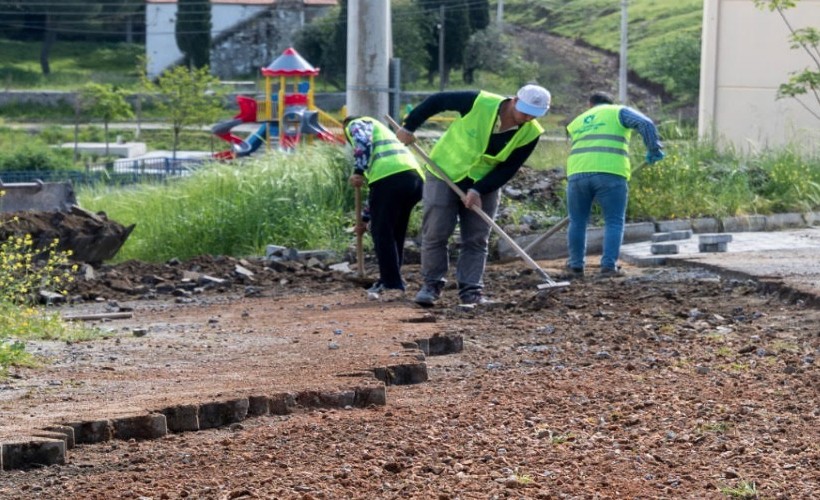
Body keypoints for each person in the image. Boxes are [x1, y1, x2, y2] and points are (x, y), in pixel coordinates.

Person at [396, 84, 550, 306]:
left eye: (534, 115)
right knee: (436, 232)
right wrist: (409, 127)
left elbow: (508, 168)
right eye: (524, 112)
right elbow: (437, 101)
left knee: (477, 238)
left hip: (484, 182)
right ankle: (431, 285)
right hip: (444, 172)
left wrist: (479, 189)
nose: (527, 119)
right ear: (514, 101)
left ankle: (471, 291)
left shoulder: (532, 132)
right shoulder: (478, 102)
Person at [563, 91, 665, 279]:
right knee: (613, 221)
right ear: (610, 103)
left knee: (577, 221)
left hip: (577, 173)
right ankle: (608, 267)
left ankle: (575, 267)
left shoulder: (577, 121)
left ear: (589, 105)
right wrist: (654, 148)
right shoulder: (618, 111)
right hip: (610, 173)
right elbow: (645, 123)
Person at [343, 115, 425, 300]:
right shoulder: (381, 130)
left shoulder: (356, 124)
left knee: (382, 233)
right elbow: (376, 199)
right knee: (395, 233)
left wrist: (358, 171)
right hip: (414, 180)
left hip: (390, 178)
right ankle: (392, 279)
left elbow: (362, 142)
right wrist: (364, 221)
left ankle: (391, 283)